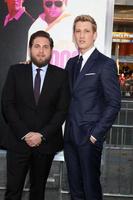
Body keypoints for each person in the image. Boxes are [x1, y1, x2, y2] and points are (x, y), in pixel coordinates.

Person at [1, 30, 70, 200]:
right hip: (18, 142)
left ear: (51, 50)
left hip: (45, 144)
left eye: (46, 47)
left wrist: (42, 135)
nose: (41, 50)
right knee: (13, 190)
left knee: (38, 191)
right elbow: (7, 105)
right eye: (37, 46)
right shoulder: (16, 71)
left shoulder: (61, 75)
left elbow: (62, 110)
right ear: (30, 49)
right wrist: (25, 133)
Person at [64, 15, 121, 200]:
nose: (82, 35)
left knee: (91, 191)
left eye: (86, 31)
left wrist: (96, 134)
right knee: (75, 191)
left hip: (89, 139)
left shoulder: (105, 64)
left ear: (95, 34)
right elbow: (62, 92)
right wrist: (29, 67)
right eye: (78, 31)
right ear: (74, 35)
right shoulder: (71, 63)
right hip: (70, 137)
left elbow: (114, 103)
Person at [27, 0, 76, 67]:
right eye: (49, 3)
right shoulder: (35, 26)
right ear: (43, 3)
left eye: (58, 3)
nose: (53, 7)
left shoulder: (74, 23)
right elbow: (30, 58)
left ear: (66, 2)